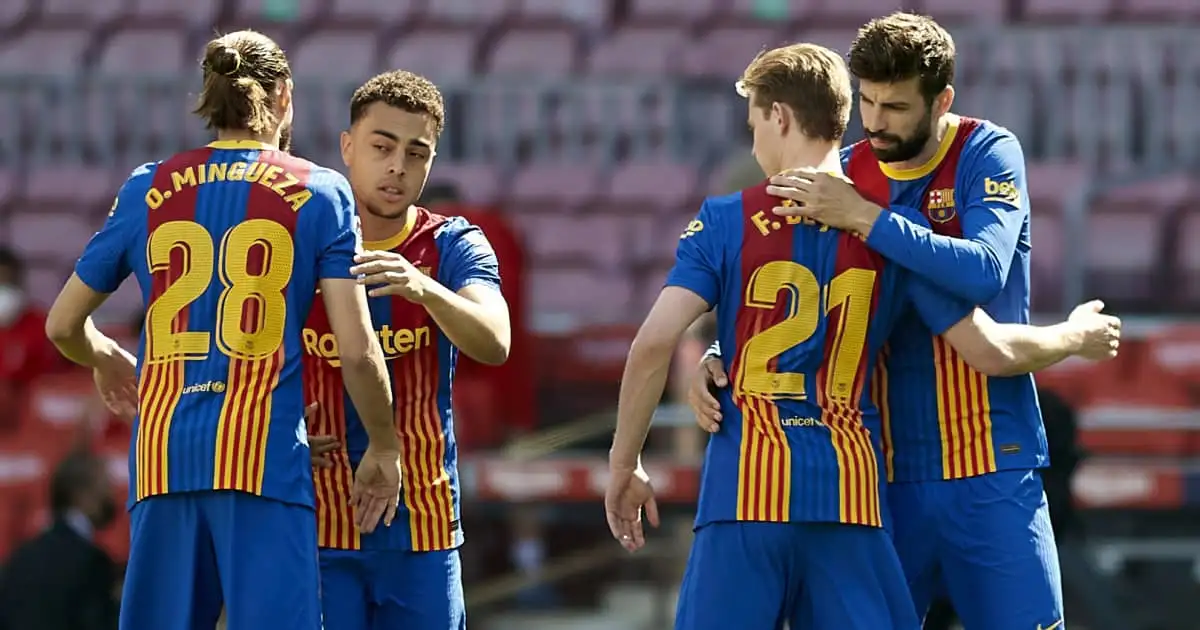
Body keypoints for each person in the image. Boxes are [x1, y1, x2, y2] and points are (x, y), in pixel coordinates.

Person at [690, 12, 1119, 630]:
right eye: (865, 101)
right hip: (876, 476)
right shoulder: (846, 174)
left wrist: (869, 220)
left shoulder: (986, 152)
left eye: (894, 106)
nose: (874, 121)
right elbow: (785, 290)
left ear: (941, 98)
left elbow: (983, 272)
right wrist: (719, 357)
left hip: (989, 463)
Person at [607, 42, 993, 630]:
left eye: (754, 123)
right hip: (849, 498)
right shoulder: (893, 231)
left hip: (746, 493)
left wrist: (625, 462)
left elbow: (655, 341)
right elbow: (983, 348)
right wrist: (1069, 337)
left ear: (780, 116)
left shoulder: (726, 217)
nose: (754, 140)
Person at [43, 30, 403, 630]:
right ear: (284, 97)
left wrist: (105, 354)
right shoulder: (320, 189)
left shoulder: (147, 186)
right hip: (263, 461)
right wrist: (385, 446)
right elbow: (358, 350)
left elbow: (62, 324)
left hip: (163, 459)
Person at [304, 70, 510, 630]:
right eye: (381, 146)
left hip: (422, 522)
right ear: (348, 147)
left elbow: (495, 343)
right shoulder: (299, 242)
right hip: (316, 523)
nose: (398, 165)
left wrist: (424, 288)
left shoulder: (452, 243)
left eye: (416, 152)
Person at [0, 450, 121, 630]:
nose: (112, 497)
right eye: (105, 487)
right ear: (81, 494)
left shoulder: (19, 559)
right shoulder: (92, 563)